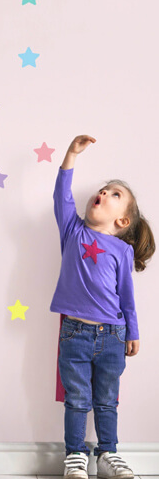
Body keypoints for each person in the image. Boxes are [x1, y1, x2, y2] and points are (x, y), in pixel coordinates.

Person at [50, 135, 155, 478]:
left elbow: (127, 297)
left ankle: (108, 453)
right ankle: (75, 456)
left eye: (115, 194)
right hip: (74, 334)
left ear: (123, 222)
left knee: (107, 401)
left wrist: (133, 332)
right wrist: (71, 155)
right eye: (104, 190)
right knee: (77, 400)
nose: (105, 194)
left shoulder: (122, 252)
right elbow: (62, 197)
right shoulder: (73, 231)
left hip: (113, 335)